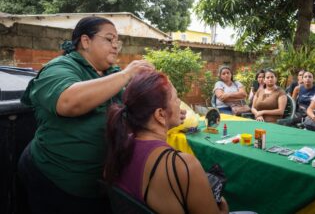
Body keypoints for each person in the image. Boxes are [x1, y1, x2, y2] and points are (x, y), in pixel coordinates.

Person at [18, 16, 155, 214]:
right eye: (109, 39)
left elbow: (132, 107)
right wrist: (126, 75)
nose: (116, 46)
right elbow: (68, 102)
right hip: (53, 179)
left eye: (118, 41)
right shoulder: (60, 68)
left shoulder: (109, 74)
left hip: (94, 184)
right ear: (85, 41)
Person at [104, 71, 229, 214]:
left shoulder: (120, 147)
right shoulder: (183, 166)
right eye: (176, 99)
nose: (180, 105)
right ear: (160, 115)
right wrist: (223, 208)